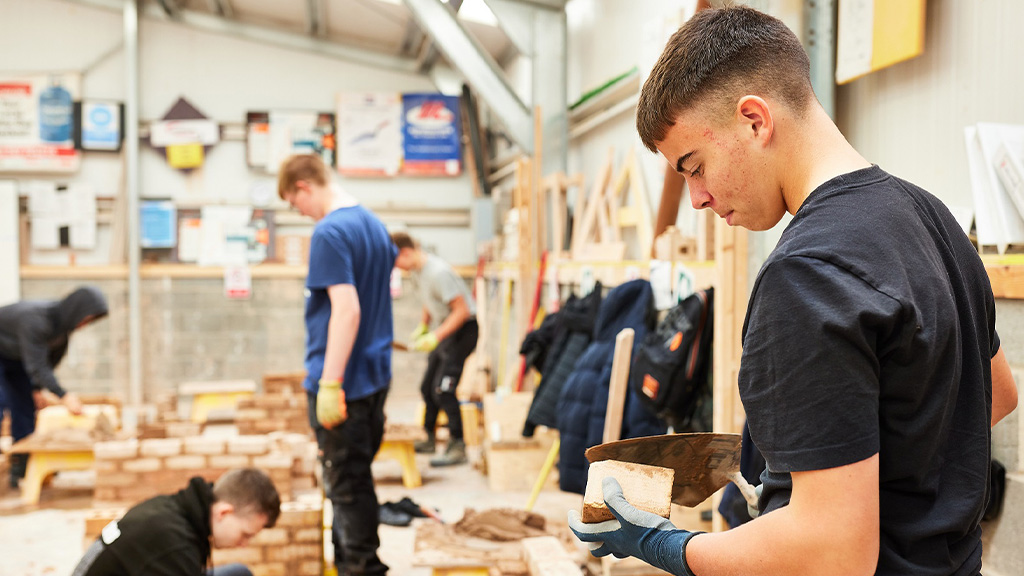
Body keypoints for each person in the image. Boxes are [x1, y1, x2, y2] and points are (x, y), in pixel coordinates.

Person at [569, 6, 1019, 576]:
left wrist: (664, 544)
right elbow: (997, 394)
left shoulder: (805, 277)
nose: (697, 200)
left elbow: (831, 554)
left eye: (695, 166)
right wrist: (840, 459)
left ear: (755, 120)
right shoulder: (933, 218)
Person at [278, 153, 396, 576]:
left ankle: (363, 568)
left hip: (344, 383)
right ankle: (349, 563)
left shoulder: (329, 232)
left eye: (296, 204)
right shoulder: (374, 225)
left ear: (305, 187)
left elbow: (347, 311)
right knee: (353, 479)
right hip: (375, 379)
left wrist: (330, 383)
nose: (301, 213)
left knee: (347, 488)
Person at [72, 468, 281, 576]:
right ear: (224, 512)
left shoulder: (179, 511)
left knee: (238, 574)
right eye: (245, 535)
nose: (244, 544)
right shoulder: (174, 545)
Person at [0, 285, 108, 488]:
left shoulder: (62, 335)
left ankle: (21, 467)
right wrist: (63, 395)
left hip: (18, 359)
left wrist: (36, 389)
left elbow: (47, 364)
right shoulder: (35, 320)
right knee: (1, 401)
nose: (86, 324)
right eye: (87, 318)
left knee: (25, 410)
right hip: (5, 352)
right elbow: (37, 365)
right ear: (76, 310)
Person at [391, 231, 478, 467]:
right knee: (428, 386)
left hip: (464, 330)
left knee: (444, 389)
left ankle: (458, 445)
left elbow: (461, 310)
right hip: (445, 329)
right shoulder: (417, 272)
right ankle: (427, 437)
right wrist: (423, 325)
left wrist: (435, 336)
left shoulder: (438, 272)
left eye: (395, 260)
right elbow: (429, 301)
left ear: (406, 252)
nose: (396, 268)